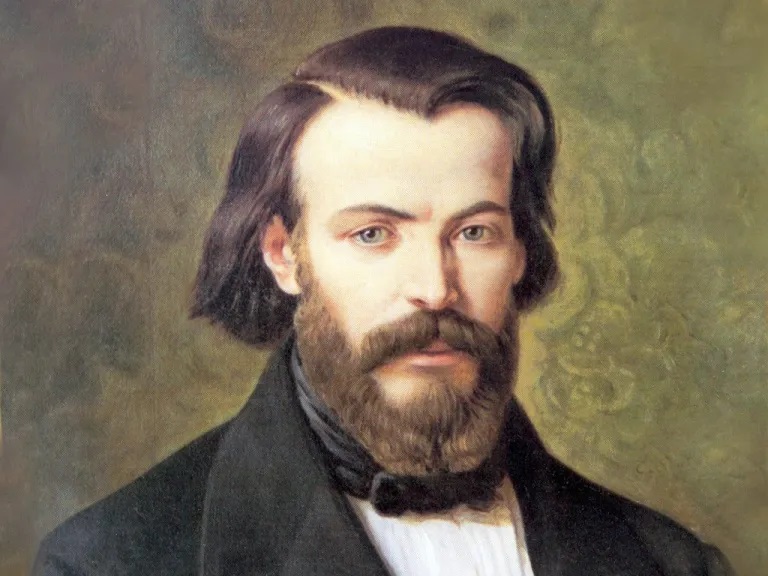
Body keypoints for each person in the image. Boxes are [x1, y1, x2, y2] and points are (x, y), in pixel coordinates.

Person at [34, 26, 733, 576]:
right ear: (283, 254)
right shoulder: (110, 560)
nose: (434, 287)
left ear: (520, 251)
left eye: (474, 232)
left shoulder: (668, 562)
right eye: (373, 234)